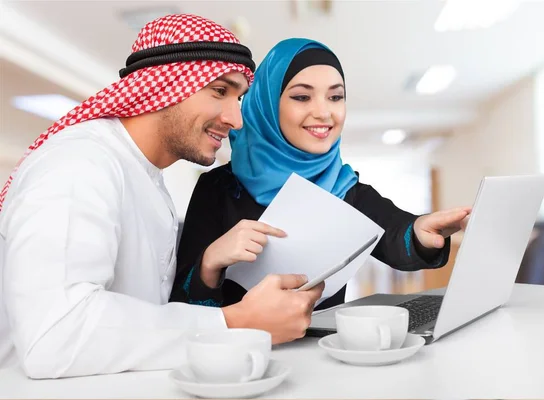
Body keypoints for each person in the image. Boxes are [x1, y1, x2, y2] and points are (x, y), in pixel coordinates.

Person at [0, 16, 324, 379]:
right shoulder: (79, 164)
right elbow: (55, 337)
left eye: (240, 97)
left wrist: (208, 266)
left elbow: (141, 317)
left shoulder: (148, 178)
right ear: (165, 84)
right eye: (219, 91)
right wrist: (234, 322)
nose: (237, 119)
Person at [170, 38, 470, 309]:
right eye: (302, 97)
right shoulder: (218, 188)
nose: (324, 112)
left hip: (324, 358)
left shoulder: (344, 187)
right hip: (244, 360)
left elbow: (395, 235)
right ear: (267, 105)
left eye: (335, 97)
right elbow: (182, 304)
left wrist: (422, 232)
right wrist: (211, 262)